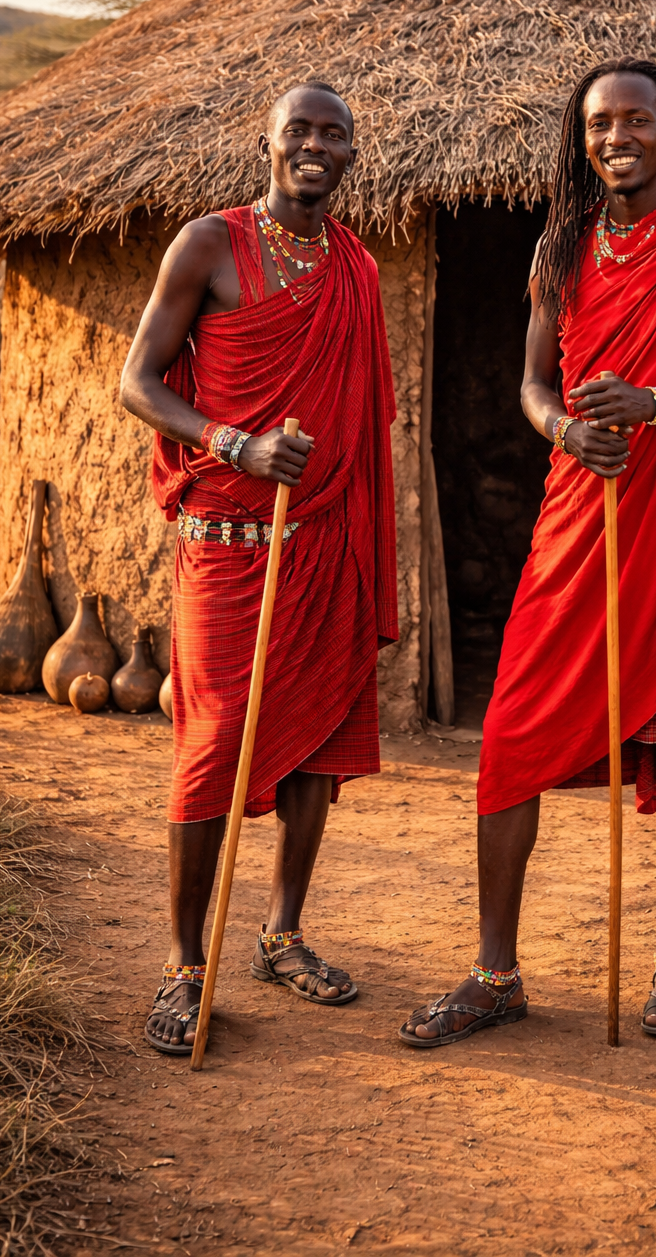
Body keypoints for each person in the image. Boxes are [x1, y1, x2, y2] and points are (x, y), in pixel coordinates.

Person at [400, 57, 656, 1048]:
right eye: (597, 124)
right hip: (587, 507)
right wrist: (563, 431)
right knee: (509, 734)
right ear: (580, 139)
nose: (614, 136)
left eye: (635, 119)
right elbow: (536, 385)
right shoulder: (562, 248)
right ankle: (495, 973)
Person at [120, 81, 398, 1055]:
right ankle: (186, 966)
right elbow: (138, 382)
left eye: (334, 134)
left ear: (353, 154)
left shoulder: (356, 268)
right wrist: (233, 445)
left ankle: (282, 934)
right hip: (228, 550)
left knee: (317, 745)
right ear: (270, 143)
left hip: (322, 545)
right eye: (299, 131)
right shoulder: (209, 244)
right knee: (210, 754)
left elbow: (365, 422)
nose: (315, 146)